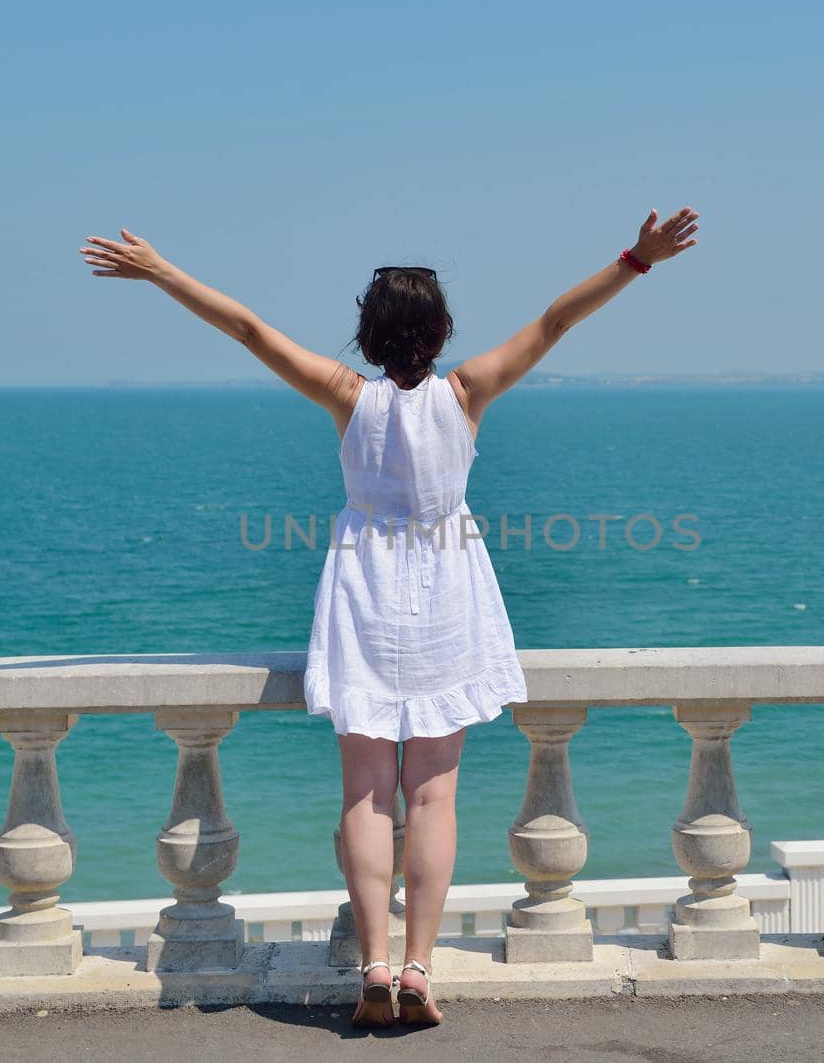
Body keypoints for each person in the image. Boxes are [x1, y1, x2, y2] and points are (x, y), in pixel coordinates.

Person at [79, 206, 701, 1027]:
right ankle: (417, 966)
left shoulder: (347, 396)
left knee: (368, 793)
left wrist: (162, 272)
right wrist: (636, 259)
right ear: (439, 332)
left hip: (363, 593)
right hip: (450, 593)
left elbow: (249, 330)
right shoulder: (469, 389)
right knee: (433, 797)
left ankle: (372, 959)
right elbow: (555, 320)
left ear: (367, 337)